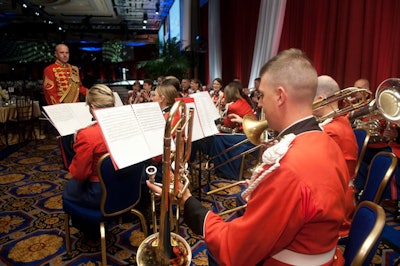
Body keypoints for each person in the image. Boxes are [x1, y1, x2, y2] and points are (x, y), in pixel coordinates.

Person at [147, 48, 349, 265]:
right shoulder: (326, 141)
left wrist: (186, 201)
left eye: (261, 96)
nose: (259, 104)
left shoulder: (288, 168)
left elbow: (234, 251)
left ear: (280, 96)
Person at [62, 84, 115, 235]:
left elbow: (79, 174)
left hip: (100, 193)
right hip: (126, 188)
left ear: (92, 107)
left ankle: (87, 229)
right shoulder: (123, 126)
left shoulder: (87, 135)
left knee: (68, 190)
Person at [313, 75, 358, 238]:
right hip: (337, 194)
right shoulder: (341, 120)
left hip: (333, 205)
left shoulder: (331, 131)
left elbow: (310, 171)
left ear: (320, 99)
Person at [43, 43, 88, 169]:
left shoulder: (74, 69)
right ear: (56, 54)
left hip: (76, 107)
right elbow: (50, 91)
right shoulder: (50, 69)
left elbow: (80, 88)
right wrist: (58, 110)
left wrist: (93, 93)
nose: (65, 55)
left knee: (78, 135)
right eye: (62, 52)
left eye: (67, 52)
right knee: (65, 137)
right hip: (62, 108)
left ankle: (78, 159)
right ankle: (69, 163)